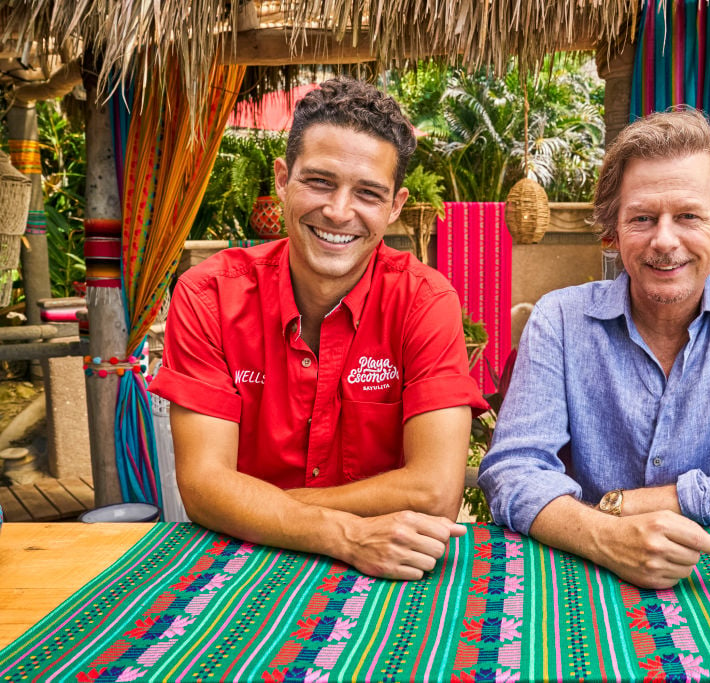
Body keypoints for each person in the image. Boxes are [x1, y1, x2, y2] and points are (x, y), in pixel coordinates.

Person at [150, 77, 488, 580]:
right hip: (244, 569)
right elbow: (202, 486)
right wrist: (343, 534)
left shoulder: (425, 300)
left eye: (368, 192)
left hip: (382, 571)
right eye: (319, 181)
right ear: (283, 179)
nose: (338, 211)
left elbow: (434, 492)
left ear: (395, 206)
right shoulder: (209, 294)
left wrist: (261, 506)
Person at [478, 108, 710, 589]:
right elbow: (512, 471)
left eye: (688, 217)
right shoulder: (560, 319)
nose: (664, 240)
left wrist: (625, 503)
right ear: (613, 233)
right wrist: (606, 538)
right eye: (642, 218)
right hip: (583, 576)